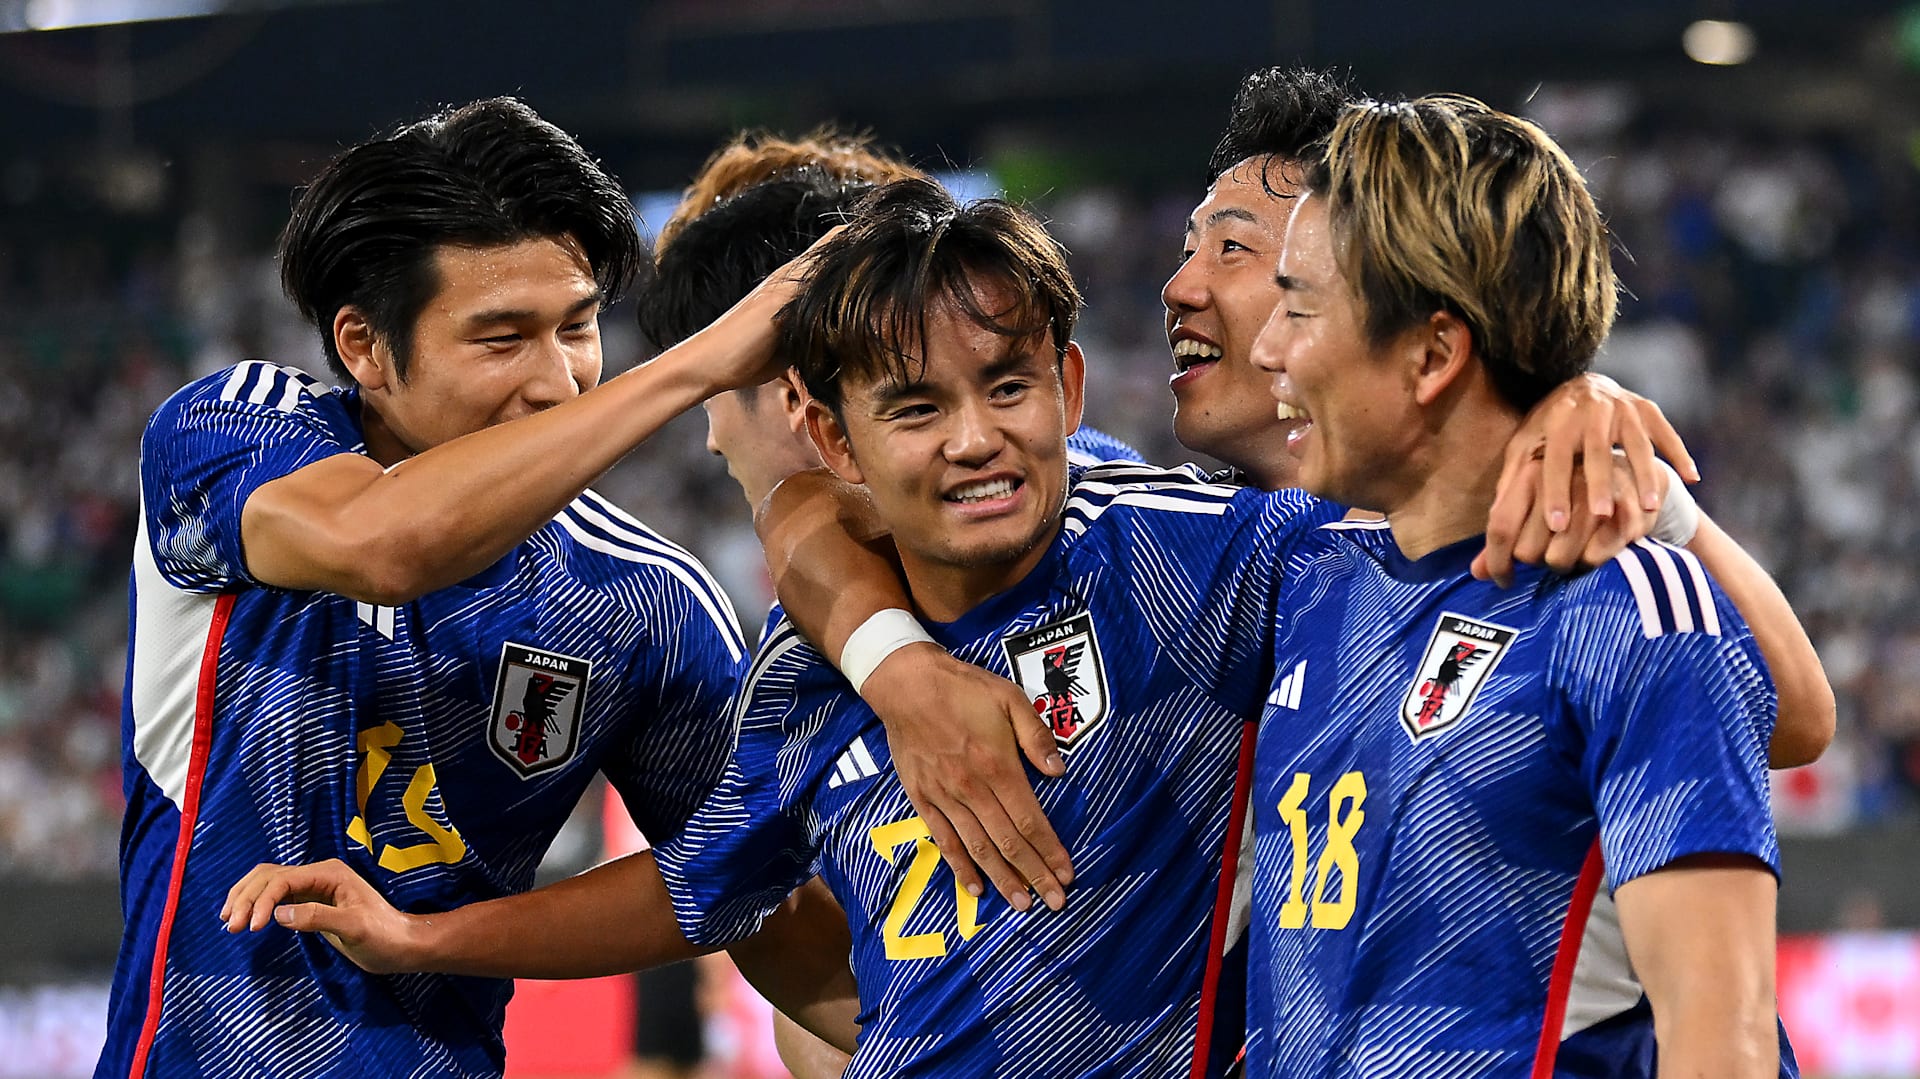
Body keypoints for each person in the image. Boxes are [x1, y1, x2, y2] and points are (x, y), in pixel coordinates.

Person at [224, 177, 1334, 1076]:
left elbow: (1404, 538)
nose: (975, 440)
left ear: (1069, 388)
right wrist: (428, 936)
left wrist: (1517, 441)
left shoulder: (1191, 555)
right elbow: (700, 882)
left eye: (1008, 388)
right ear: (835, 439)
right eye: (915, 408)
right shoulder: (807, 666)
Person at [784, 65, 1832, 914]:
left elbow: (1790, 716)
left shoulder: (1535, 521)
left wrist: (1616, 452)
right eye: (1189, 246)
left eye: (1238, 249)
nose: (1180, 284)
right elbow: (806, 508)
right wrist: (899, 668)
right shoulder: (1155, 530)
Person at [102, 97, 840, 1079]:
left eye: (578, 327)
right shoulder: (236, 433)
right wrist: (696, 365)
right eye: (501, 340)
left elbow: (756, 897)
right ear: (364, 346)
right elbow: (384, 540)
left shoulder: (641, 600)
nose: (558, 382)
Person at [1242, 93, 1795, 1075]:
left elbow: (1728, 1036)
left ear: (1432, 354)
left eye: (1299, 305)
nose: (1267, 349)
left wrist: (1653, 487)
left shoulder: (1628, 615)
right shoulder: (1304, 581)